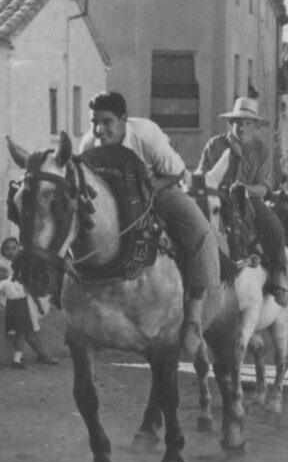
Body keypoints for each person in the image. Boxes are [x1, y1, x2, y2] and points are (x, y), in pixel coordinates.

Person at [79, 91, 220, 334]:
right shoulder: (88, 144)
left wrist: (147, 190)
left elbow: (175, 172)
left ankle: (194, 316)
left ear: (124, 119)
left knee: (200, 231)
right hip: (112, 199)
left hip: (158, 190)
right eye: (94, 123)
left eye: (107, 122)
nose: (99, 130)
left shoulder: (146, 134)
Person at [196, 96, 288, 307]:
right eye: (239, 122)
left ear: (256, 126)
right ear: (232, 123)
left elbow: (264, 188)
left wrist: (243, 188)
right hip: (217, 198)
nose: (243, 127)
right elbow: (201, 175)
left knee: (274, 227)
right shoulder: (215, 145)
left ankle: (278, 275)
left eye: (248, 123)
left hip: (247, 200)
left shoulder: (262, 150)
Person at [0, 237, 57, 368]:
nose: (10, 251)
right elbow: (5, 281)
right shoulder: (3, 264)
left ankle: (39, 355)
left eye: (14, 248)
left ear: (18, 248)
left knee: (29, 330)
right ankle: (40, 355)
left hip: (25, 297)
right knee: (27, 330)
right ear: (2, 251)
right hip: (13, 298)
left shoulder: (22, 262)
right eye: (7, 249)